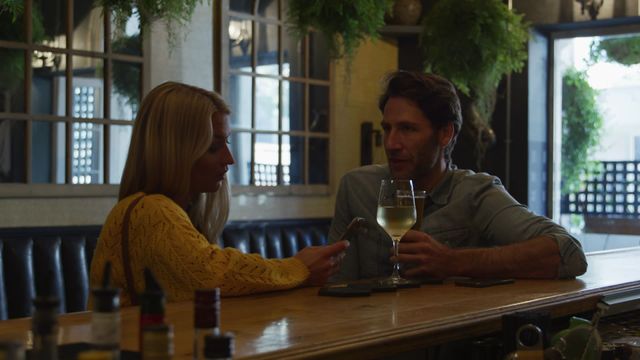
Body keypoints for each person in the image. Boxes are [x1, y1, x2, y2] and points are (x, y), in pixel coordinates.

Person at [90, 82, 349, 306]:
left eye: (226, 143)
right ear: (175, 151)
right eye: (213, 147)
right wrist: (298, 268)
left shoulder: (172, 211)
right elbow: (213, 274)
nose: (230, 158)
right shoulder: (150, 210)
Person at [329, 71, 587, 282]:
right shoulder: (358, 186)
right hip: (370, 335)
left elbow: (568, 253)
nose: (392, 143)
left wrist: (452, 261)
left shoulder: (474, 193)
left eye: (407, 129)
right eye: (387, 129)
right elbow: (337, 284)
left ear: (445, 134)